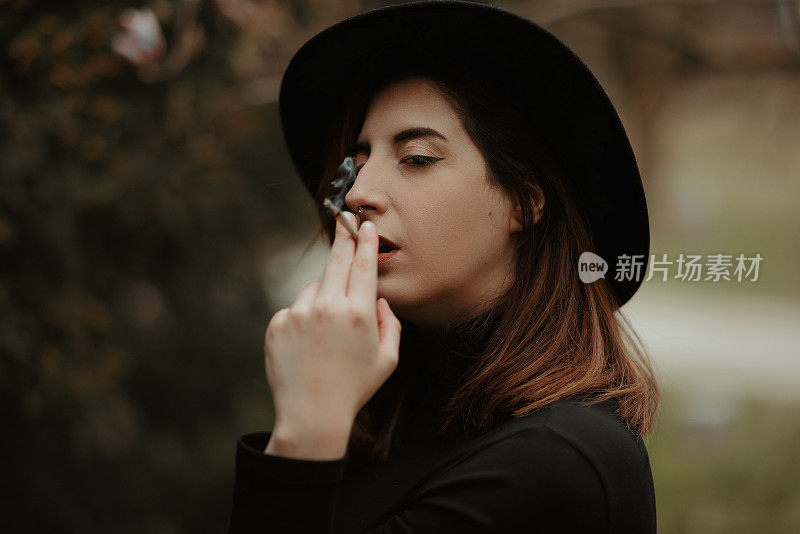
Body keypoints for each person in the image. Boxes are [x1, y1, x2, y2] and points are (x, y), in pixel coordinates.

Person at [227, 1, 660, 533]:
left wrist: (303, 438)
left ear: (523, 202)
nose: (358, 194)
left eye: (417, 158)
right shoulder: (383, 417)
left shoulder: (556, 460)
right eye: (357, 163)